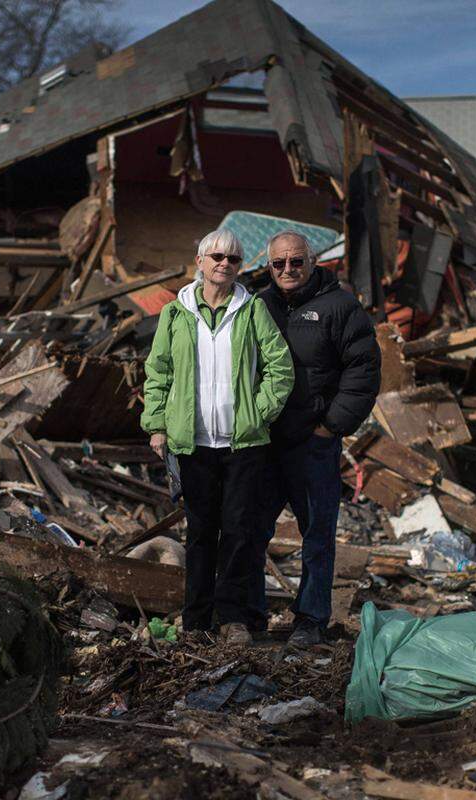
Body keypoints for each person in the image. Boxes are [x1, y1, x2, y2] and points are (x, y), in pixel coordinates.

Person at [141, 229, 294, 645]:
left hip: (242, 444)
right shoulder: (176, 313)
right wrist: (156, 424)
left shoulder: (251, 309)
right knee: (202, 533)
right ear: (200, 262)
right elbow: (159, 371)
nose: (225, 264)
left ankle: (232, 618)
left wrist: (257, 413)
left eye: (234, 259)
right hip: (193, 445)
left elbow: (280, 368)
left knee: (240, 532)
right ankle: (195, 621)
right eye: (217, 257)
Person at [255, 230, 381, 647]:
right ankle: (250, 613)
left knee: (317, 535)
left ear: (312, 262)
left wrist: (331, 426)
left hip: (313, 443)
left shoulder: (341, 306)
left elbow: (362, 371)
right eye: (279, 263)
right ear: (269, 266)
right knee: (250, 528)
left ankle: (310, 619)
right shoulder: (258, 305)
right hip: (265, 441)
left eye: (296, 261)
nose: (287, 270)